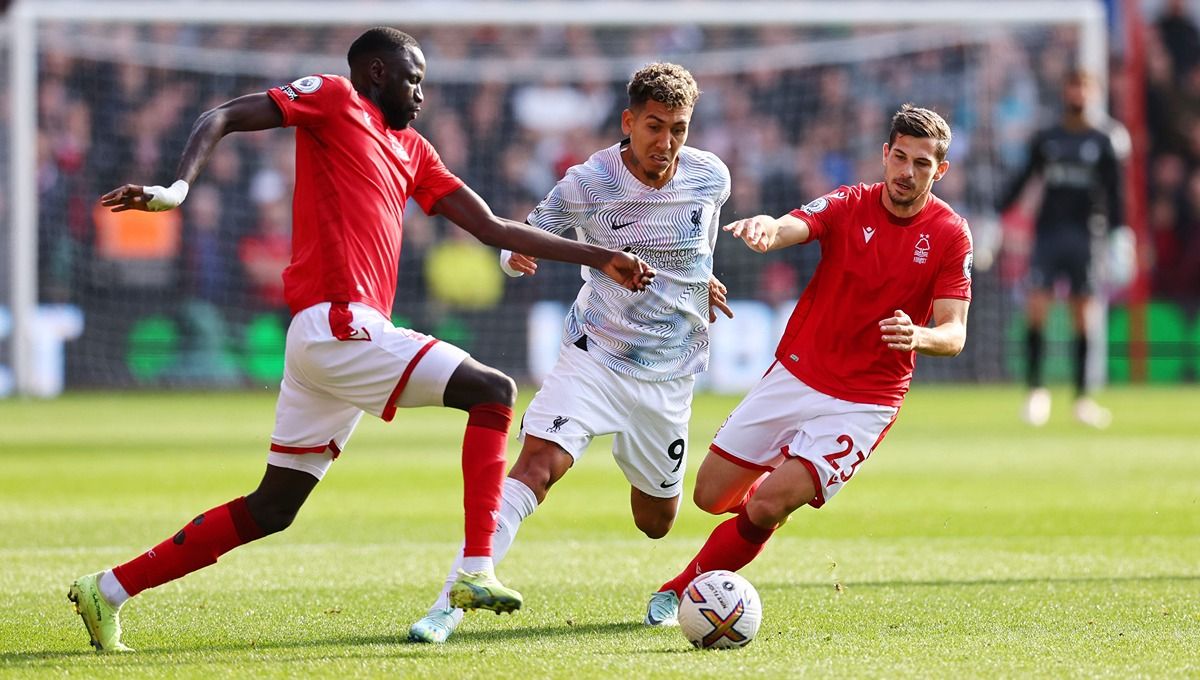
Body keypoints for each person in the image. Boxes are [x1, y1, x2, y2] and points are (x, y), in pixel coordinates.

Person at [68, 27, 654, 653]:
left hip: (332, 342)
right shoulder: (333, 97)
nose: (421, 93)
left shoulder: (415, 151)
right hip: (338, 323)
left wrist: (597, 254)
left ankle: (106, 590)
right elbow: (222, 116)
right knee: (493, 391)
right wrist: (178, 188)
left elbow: (489, 226)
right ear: (375, 72)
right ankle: (476, 568)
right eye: (412, 78)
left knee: (274, 507)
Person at [408, 62, 732, 644]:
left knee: (657, 523)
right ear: (629, 121)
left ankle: (630, 457)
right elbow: (523, 237)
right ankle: (453, 599)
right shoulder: (587, 182)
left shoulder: (711, 176)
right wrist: (515, 260)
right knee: (536, 467)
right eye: (654, 126)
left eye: (679, 128)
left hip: (670, 374)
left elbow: (697, 244)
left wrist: (701, 282)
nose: (666, 142)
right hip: (596, 357)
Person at [642, 105, 973, 625]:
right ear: (885, 155)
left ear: (941, 170)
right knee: (710, 496)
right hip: (798, 373)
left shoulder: (951, 234)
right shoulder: (850, 201)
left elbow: (955, 333)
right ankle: (758, 509)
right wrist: (765, 230)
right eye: (900, 158)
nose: (907, 172)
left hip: (866, 402)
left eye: (923, 164)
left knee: (771, 504)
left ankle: (682, 589)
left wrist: (921, 335)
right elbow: (796, 224)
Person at [998, 70, 1125, 429]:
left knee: (1083, 315)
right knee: (1036, 308)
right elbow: (1023, 179)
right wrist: (997, 212)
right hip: (1049, 234)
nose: (1078, 93)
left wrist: (1120, 235)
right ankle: (1036, 390)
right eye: (1073, 85)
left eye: (1084, 86)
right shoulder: (1047, 138)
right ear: (1064, 91)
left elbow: (1115, 193)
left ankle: (1083, 398)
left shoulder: (1105, 140)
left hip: (1087, 235)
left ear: (1094, 92)